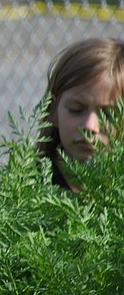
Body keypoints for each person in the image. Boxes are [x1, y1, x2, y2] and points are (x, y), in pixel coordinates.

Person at [37, 37, 124, 192]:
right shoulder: (30, 187)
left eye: (108, 115)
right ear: (54, 109)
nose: (89, 126)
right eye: (76, 109)